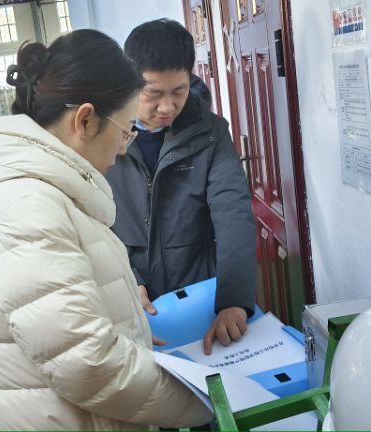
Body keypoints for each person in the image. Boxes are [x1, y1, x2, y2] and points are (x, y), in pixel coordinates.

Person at [0, 30, 212, 430]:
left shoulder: (44, 192)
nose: (124, 147)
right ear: (84, 119)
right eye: (125, 131)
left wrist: (129, 330)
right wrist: (209, 398)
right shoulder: (26, 208)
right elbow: (86, 364)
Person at [105, 19, 258, 355]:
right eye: (153, 93)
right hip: (128, 296)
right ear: (131, 82)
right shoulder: (104, 133)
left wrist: (233, 300)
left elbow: (233, 213)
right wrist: (127, 280)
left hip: (199, 295)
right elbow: (95, 222)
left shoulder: (210, 132)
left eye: (179, 91)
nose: (167, 107)